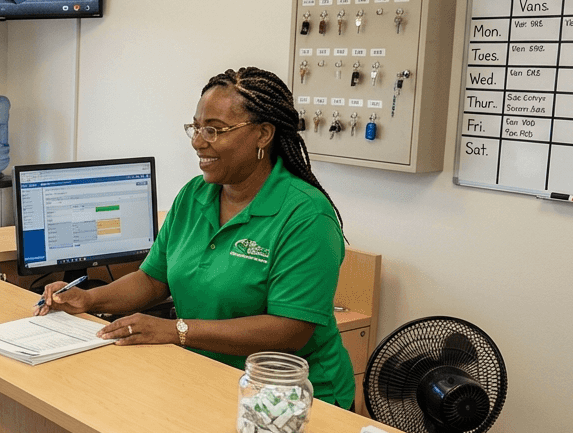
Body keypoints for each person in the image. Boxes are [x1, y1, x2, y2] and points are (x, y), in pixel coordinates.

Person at [37, 67, 355, 409]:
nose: (198, 141)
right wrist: (89, 299)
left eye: (215, 130)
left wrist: (176, 330)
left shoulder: (306, 216)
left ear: (263, 134)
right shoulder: (194, 195)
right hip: (208, 379)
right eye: (197, 127)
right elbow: (153, 280)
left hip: (294, 401)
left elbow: (289, 330)